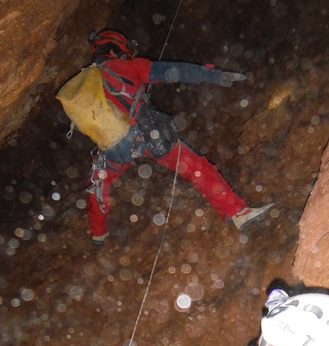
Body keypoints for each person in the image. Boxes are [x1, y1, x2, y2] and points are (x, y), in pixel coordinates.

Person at [79, 29, 275, 245]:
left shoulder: (84, 83)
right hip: (145, 136)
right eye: (125, 52)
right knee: (196, 168)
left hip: (112, 147)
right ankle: (237, 212)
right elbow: (174, 71)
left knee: (97, 184)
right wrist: (214, 75)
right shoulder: (127, 67)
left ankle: (98, 234)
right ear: (115, 50)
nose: (128, 56)